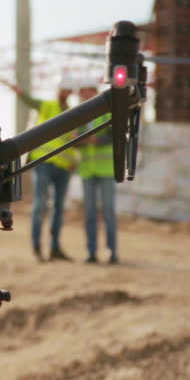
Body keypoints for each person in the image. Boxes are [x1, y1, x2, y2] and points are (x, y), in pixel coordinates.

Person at [0, 76, 79, 262]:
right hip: (43, 162)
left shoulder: (74, 113)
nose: (65, 93)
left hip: (63, 167)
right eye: (64, 90)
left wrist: (74, 160)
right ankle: (37, 248)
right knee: (40, 205)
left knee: (58, 207)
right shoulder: (47, 106)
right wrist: (16, 89)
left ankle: (54, 249)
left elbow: (72, 142)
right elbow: (27, 99)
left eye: (68, 90)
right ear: (60, 91)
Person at [76, 81, 118, 264]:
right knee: (90, 213)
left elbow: (115, 134)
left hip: (106, 169)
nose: (84, 96)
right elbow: (73, 138)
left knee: (108, 211)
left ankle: (112, 251)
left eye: (87, 92)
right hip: (87, 171)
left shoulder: (107, 112)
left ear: (94, 92)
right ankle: (91, 252)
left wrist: (96, 140)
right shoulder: (78, 115)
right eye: (81, 93)